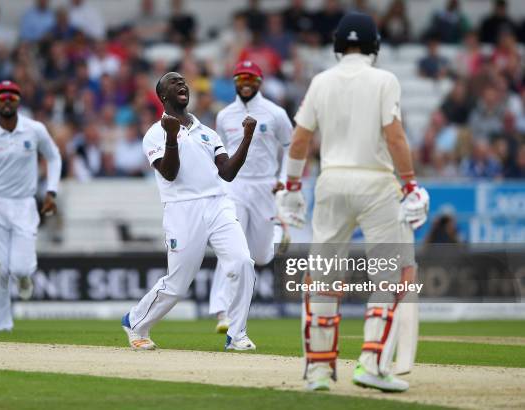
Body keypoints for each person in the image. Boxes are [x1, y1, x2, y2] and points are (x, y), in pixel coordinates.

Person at [276, 13, 429, 392]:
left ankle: (318, 371)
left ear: (337, 45)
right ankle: (373, 364)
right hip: (376, 183)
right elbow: (394, 137)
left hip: (331, 181)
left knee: (323, 278)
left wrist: (292, 186)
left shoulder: (321, 81)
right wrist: (409, 184)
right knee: (389, 277)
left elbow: (299, 140)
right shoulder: (384, 80)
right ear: (375, 45)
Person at [121, 72, 257, 351]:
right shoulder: (154, 134)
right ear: (163, 96)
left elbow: (228, 173)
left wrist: (247, 138)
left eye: (183, 81)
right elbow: (169, 174)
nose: (181, 84)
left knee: (243, 262)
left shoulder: (207, 132)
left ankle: (237, 334)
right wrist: (171, 138)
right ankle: (135, 322)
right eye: (173, 82)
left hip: (218, 203)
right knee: (178, 284)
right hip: (182, 210)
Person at [0, 80, 62, 331]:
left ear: (19, 101)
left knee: (20, 268)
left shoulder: (35, 129)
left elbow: (54, 157)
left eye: (12, 96)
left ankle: (24, 277)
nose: (7, 100)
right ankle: (3, 326)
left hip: (24, 205)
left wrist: (51, 191)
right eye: (1, 96)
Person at [209, 61, 292, 333]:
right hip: (235, 187)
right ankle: (222, 312)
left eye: (251, 78)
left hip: (265, 186)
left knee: (261, 256)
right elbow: (219, 152)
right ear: (234, 81)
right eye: (240, 77)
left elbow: (292, 147)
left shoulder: (275, 113)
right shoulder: (224, 116)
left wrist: (284, 178)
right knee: (231, 245)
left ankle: (279, 232)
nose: (245, 82)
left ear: (260, 81)